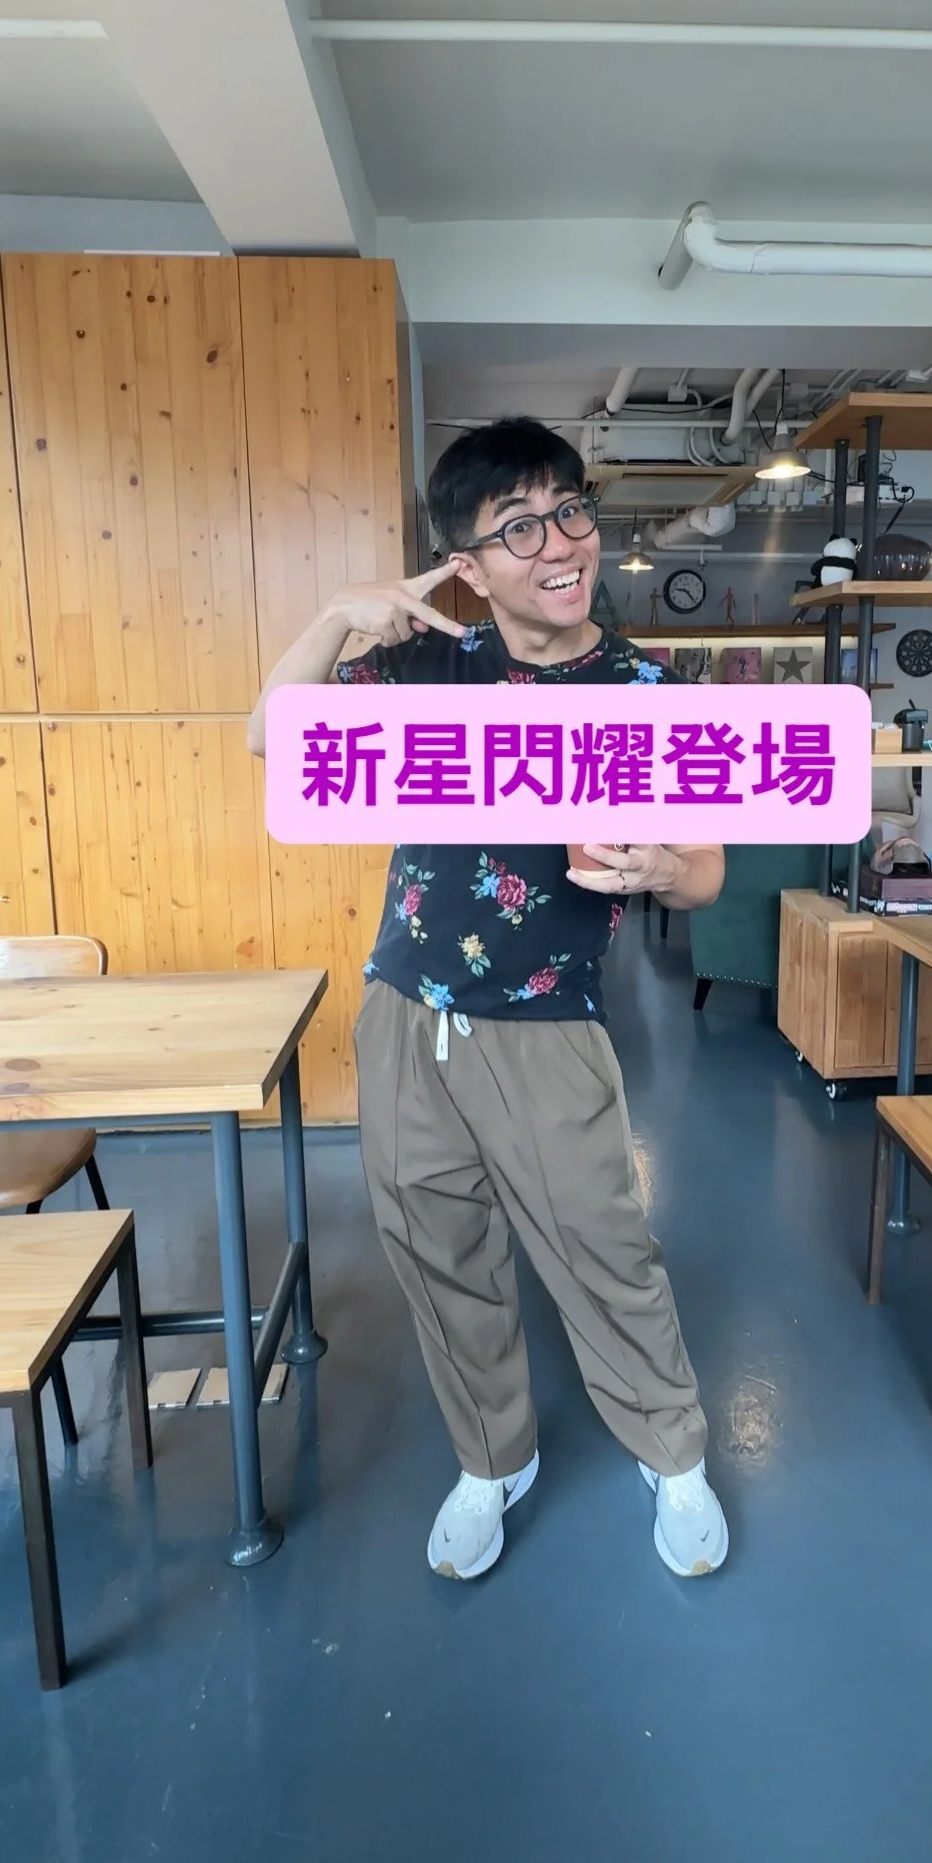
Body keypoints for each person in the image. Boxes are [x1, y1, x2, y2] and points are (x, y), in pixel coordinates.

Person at [248, 418, 728, 1581]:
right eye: (519, 527)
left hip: (549, 1022)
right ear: (466, 562)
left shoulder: (646, 691)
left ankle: (673, 1453)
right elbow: (273, 735)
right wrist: (336, 615)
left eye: (570, 510)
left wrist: (665, 867)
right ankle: (491, 1457)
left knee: (603, 1246)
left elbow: (706, 870)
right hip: (405, 1013)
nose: (559, 543)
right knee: (436, 1249)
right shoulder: (430, 669)